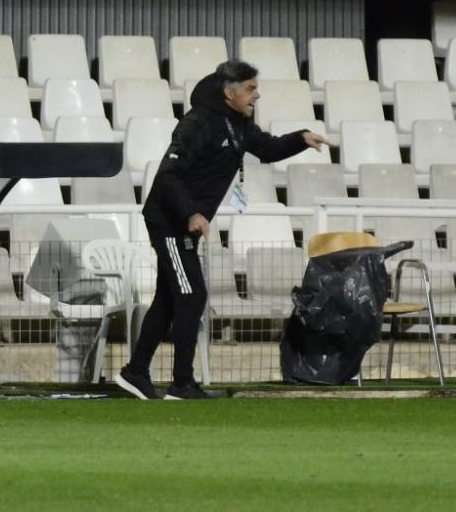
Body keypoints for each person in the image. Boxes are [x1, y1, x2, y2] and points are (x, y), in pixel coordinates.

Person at [115, 60, 330, 400]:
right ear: (229, 92)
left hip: (185, 223)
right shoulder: (197, 123)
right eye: (250, 89)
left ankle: (136, 372)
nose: (257, 95)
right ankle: (181, 383)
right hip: (169, 222)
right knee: (192, 295)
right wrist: (193, 213)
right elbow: (168, 176)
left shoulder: (239, 124)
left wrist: (301, 138)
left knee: (169, 300)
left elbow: (269, 148)